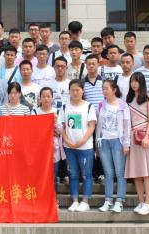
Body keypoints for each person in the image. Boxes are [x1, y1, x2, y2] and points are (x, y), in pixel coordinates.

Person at [125, 72, 149, 215]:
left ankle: (148, 203)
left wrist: (146, 136)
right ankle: (140, 201)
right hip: (132, 137)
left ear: (142, 83)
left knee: (147, 172)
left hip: (145, 138)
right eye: (132, 81)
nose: (134, 84)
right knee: (136, 172)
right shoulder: (128, 99)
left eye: (137, 81)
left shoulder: (148, 99)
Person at [61, 79, 97, 212]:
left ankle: (85, 201)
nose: (75, 92)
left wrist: (82, 141)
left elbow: (92, 126)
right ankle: (75, 200)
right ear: (69, 91)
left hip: (85, 147)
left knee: (87, 174)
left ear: (83, 91)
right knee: (73, 174)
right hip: (69, 147)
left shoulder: (88, 106)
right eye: (72, 90)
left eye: (77, 90)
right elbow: (61, 127)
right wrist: (67, 141)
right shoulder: (65, 107)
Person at [95, 79, 129, 213]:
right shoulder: (101, 105)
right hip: (104, 141)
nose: (104, 91)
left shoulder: (123, 105)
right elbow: (98, 126)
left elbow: (127, 126)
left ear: (114, 90)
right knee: (108, 173)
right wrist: (97, 143)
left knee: (120, 173)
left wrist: (126, 144)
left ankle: (120, 201)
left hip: (118, 141)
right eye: (103, 88)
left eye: (106, 88)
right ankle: (108, 200)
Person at [33, 87, 64, 197]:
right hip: (39, 150)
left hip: (54, 149)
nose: (46, 99)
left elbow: (60, 131)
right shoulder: (35, 112)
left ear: (52, 98)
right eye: (43, 96)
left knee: (53, 176)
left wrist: (55, 122)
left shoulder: (57, 112)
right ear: (40, 98)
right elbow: (33, 130)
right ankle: (41, 199)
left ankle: (53, 199)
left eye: (48, 96)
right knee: (39, 176)